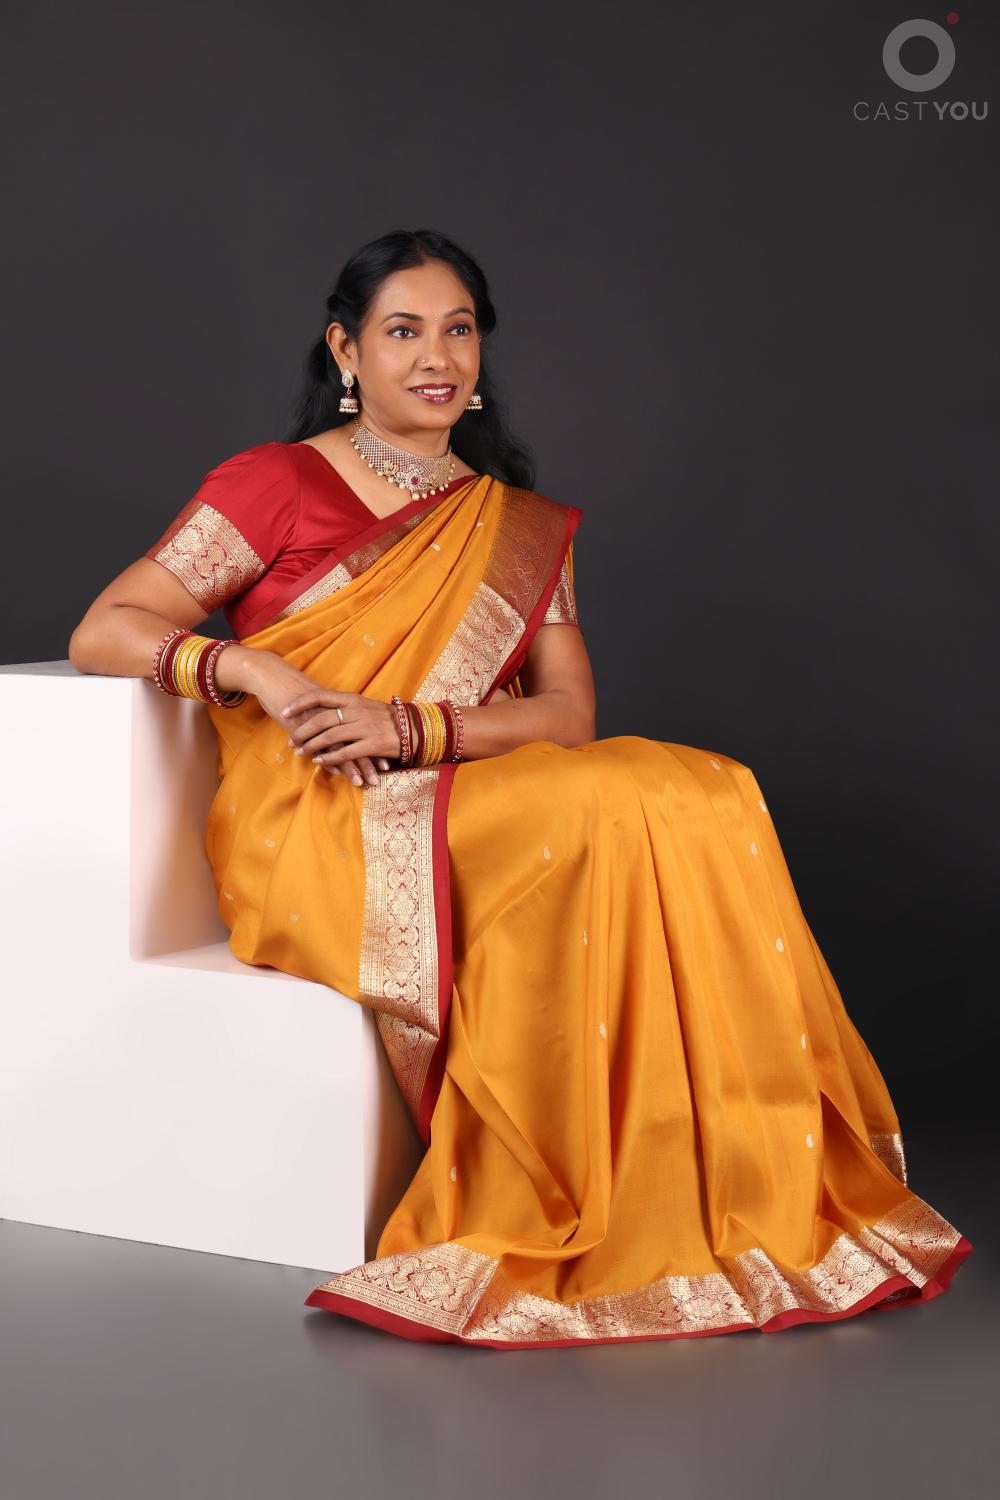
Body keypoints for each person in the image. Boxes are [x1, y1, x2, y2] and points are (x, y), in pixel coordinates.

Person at [68, 227, 972, 1349]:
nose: (436, 357)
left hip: (447, 772)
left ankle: (718, 1175)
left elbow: (565, 714)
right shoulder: (274, 483)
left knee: (703, 788)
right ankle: (556, 1188)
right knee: (589, 807)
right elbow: (108, 627)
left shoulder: (511, 519)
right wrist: (255, 670)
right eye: (404, 331)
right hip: (321, 806)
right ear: (346, 350)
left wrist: (415, 727)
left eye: (458, 330)